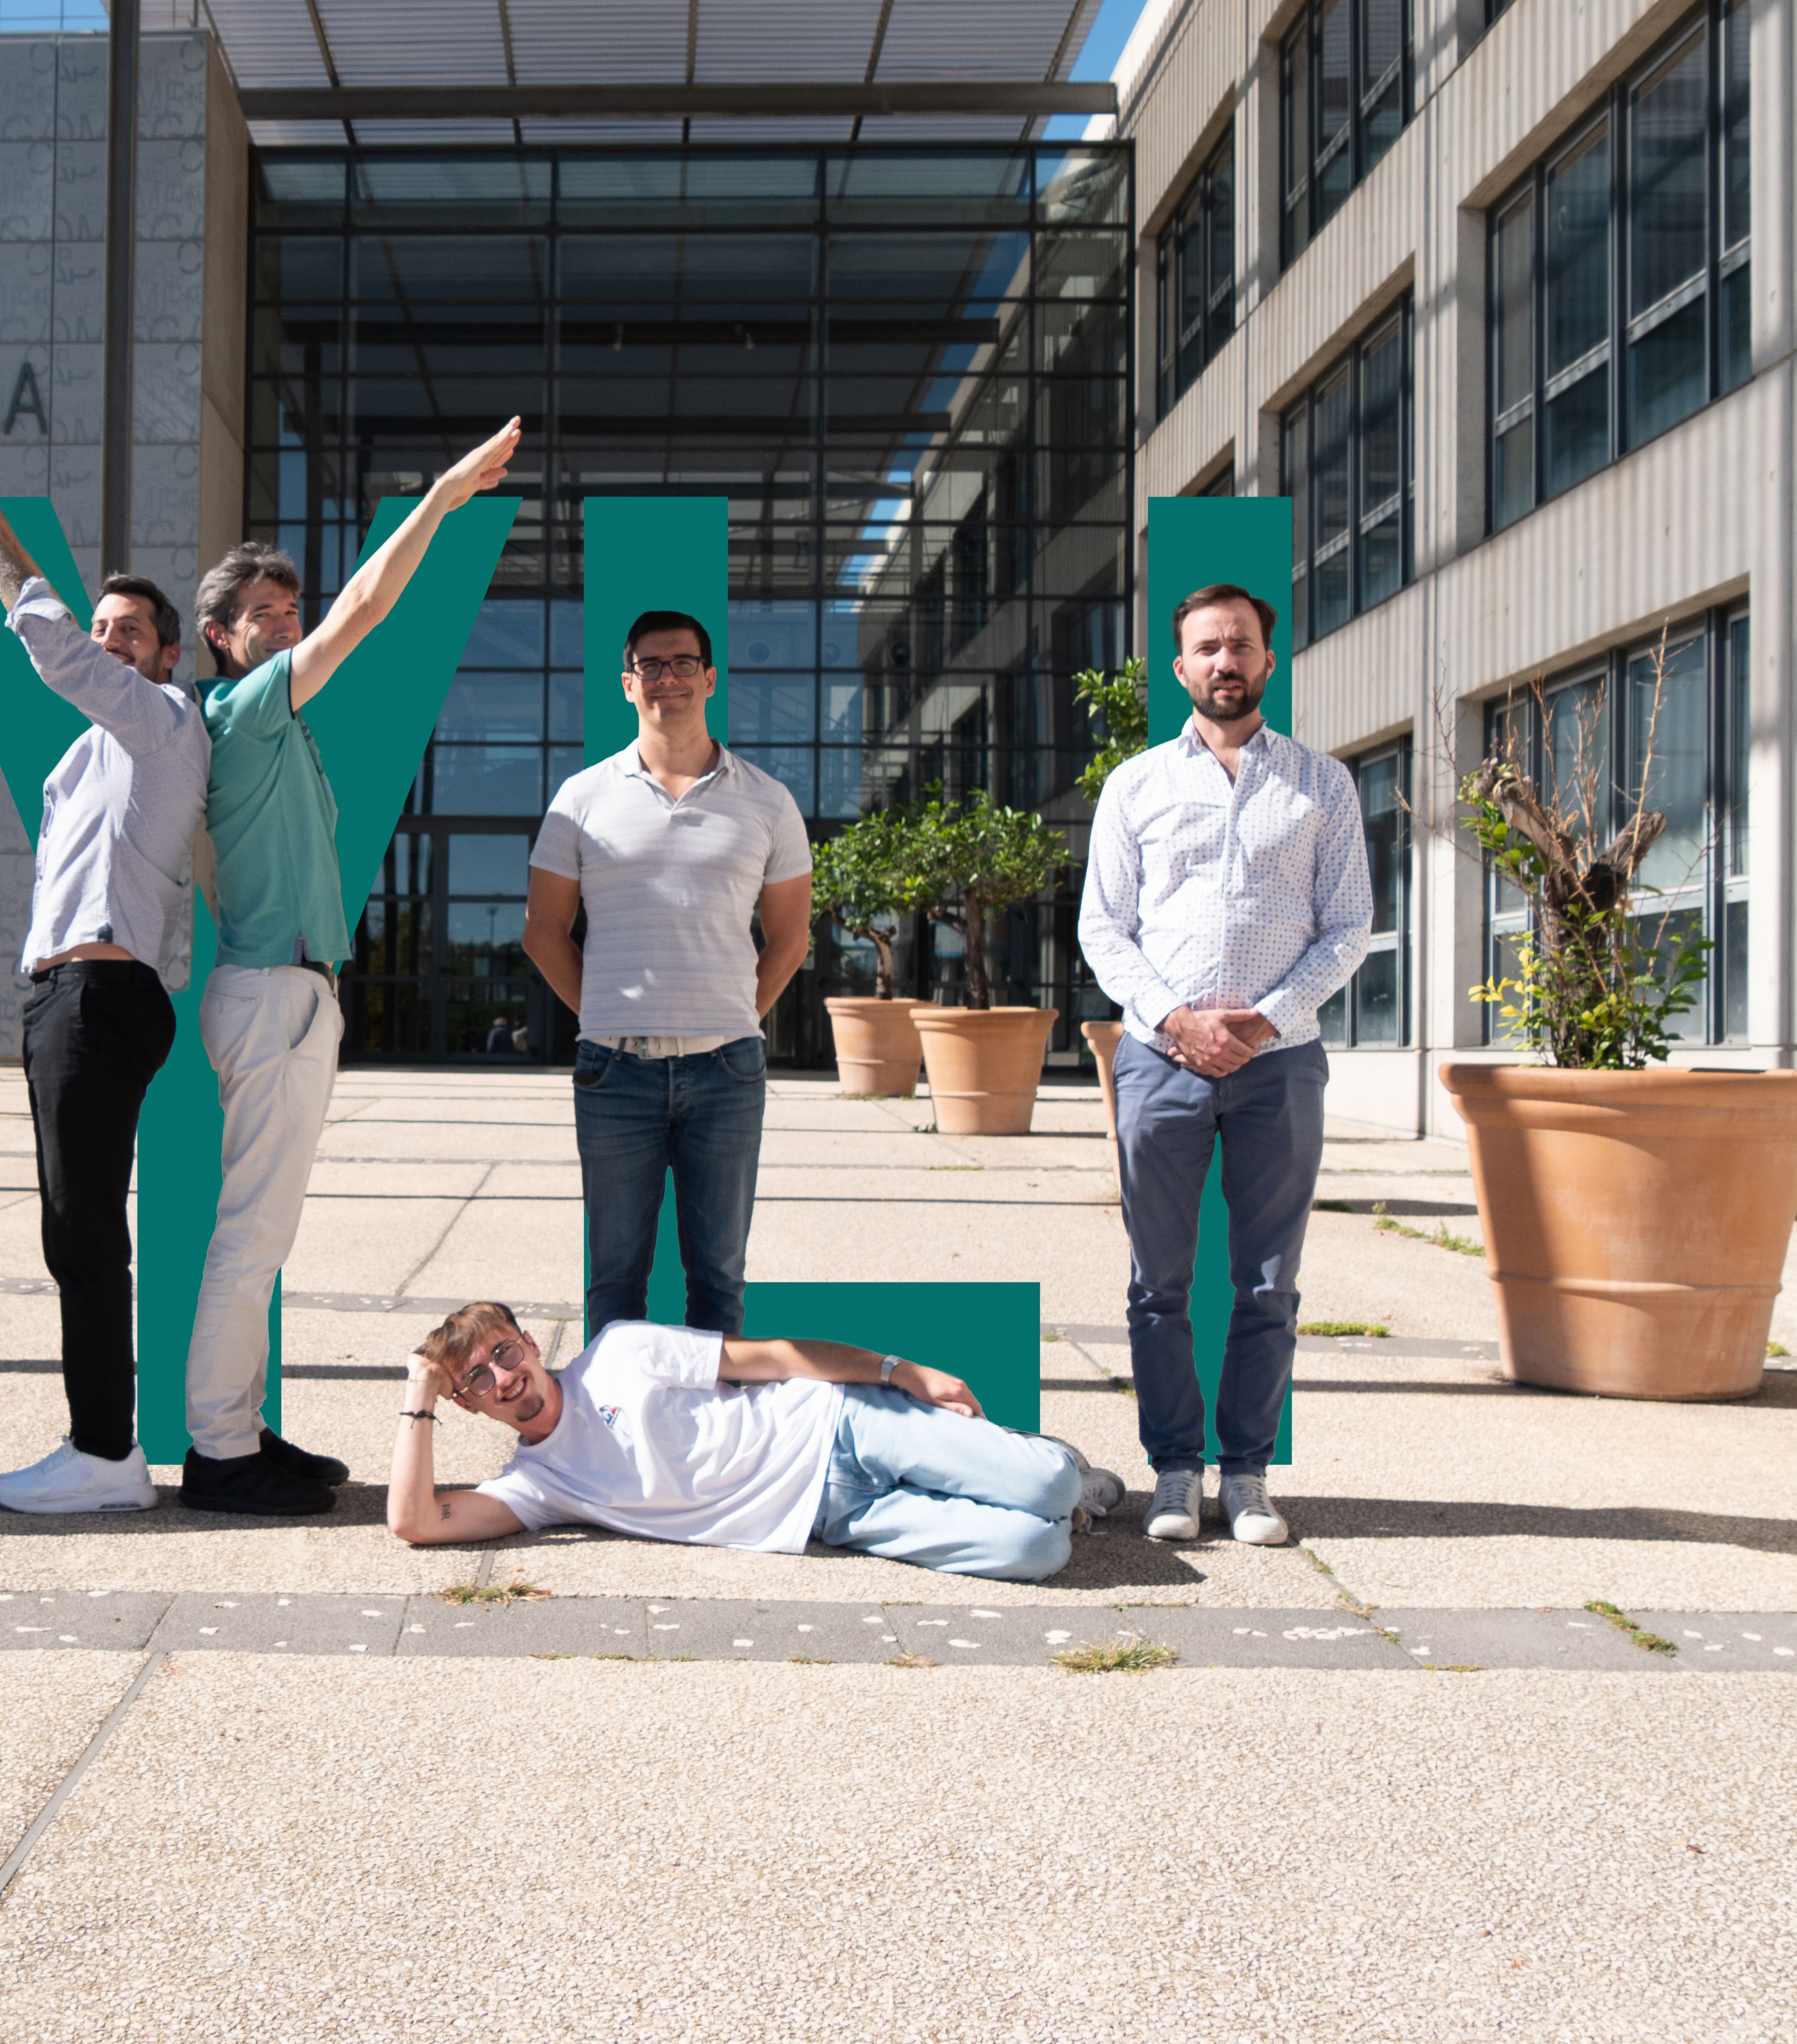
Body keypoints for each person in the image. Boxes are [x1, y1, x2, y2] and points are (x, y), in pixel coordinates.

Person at [180, 418, 525, 1515]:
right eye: (268, 618)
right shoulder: (245, 711)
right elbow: (368, 609)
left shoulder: (260, 726)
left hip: (284, 993)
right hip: (275, 994)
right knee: (250, 1239)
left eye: (291, 612)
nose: (290, 628)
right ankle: (219, 1454)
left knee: (259, 1239)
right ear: (223, 638)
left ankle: (239, 1433)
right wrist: (444, 498)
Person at [0, 411, 208, 1514]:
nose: (106, 641)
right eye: (102, 627)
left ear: (168, 652)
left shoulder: (159, 722)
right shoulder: (89, 759)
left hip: (98, 996)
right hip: (72, 996)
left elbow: (41, 639)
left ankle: (106, 1453)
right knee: (76, 1226)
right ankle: (103, 1443)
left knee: (85, 1228)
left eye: (129, 630)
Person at [1077, 582, 1369, 1547]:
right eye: (1207, 648)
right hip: (1160, 1062)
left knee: (1268, 1283)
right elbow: (1103, 930)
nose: (1225, 662)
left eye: (1241, 645)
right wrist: (1175, 1019)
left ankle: (1246, 1477)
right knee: (1158, 1282)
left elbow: (1350, 928)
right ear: (1182, 668)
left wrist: (1265, 1020)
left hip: (1279, 1065)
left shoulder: (1322, 785)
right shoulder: (1136, 786)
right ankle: (1173, 1473)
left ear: (1269, 661)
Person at [522, 609, 813, 1341]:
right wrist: (605, 1014)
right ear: (628, 685)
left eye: (683, 663)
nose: (668, 677)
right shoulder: (581, 798)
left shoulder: (768, 801)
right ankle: (614, 1437)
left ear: (710, 678)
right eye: (651, 665)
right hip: (614, 1074)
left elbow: (789, 936)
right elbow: (543, 932)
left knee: (719, 1276)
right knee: (616, 1275)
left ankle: (711, 1442)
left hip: (728, 1073)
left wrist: (737, 1014)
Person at [386, 1301, 1120, 1578]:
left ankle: (1052, 1468)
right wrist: (420, 1394)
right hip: (834, 1521)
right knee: (1039, 1550)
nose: (501, 1378)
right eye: (475, 1381)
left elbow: (773, 1357)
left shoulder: (621, 1352)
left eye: (503, 1353)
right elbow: (416, 1523)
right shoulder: (540, 1488)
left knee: (1049, 1488)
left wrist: (901, 1373)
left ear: (527, 1343)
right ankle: (1047, 1494)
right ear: (471, 1408)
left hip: (845, 1427)